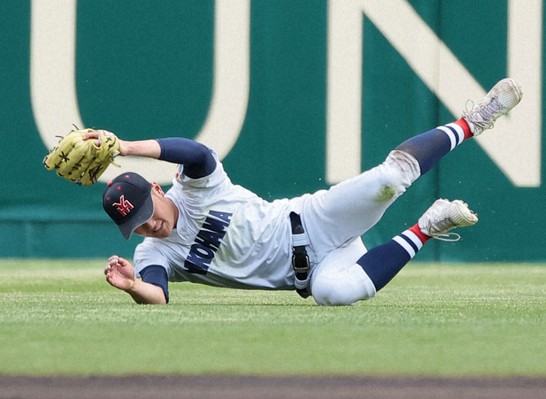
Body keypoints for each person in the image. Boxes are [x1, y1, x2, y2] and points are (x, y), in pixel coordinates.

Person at [99, 78, 522, 306]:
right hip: (316, 271)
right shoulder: (153, 254)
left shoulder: (193, 188)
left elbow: (196, 151)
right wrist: (131, 286)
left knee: (390, 179)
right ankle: (428, 227)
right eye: (136, 225)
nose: (149, 224)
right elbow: (158, 295)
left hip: (314, 220)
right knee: (333, 294)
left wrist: (126, 147)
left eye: (146, 210)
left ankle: (473, 122)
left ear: (156, 187)